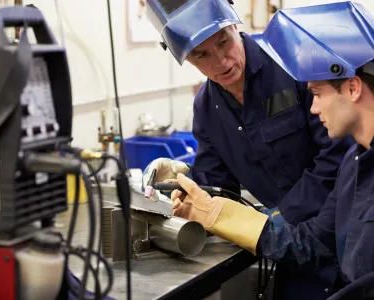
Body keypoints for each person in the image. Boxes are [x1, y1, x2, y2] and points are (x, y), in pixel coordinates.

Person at [143, 0, 354, 299]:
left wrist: (274, 218)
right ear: (186, 59)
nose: (222, 62)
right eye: (201, 55)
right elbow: (218, 190)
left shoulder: (292, 65)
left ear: (234, 27)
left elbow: (338, 157)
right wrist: (186, 184)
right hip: (289, 256)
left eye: (224, 42)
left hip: (342, 239)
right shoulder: (206, 111)